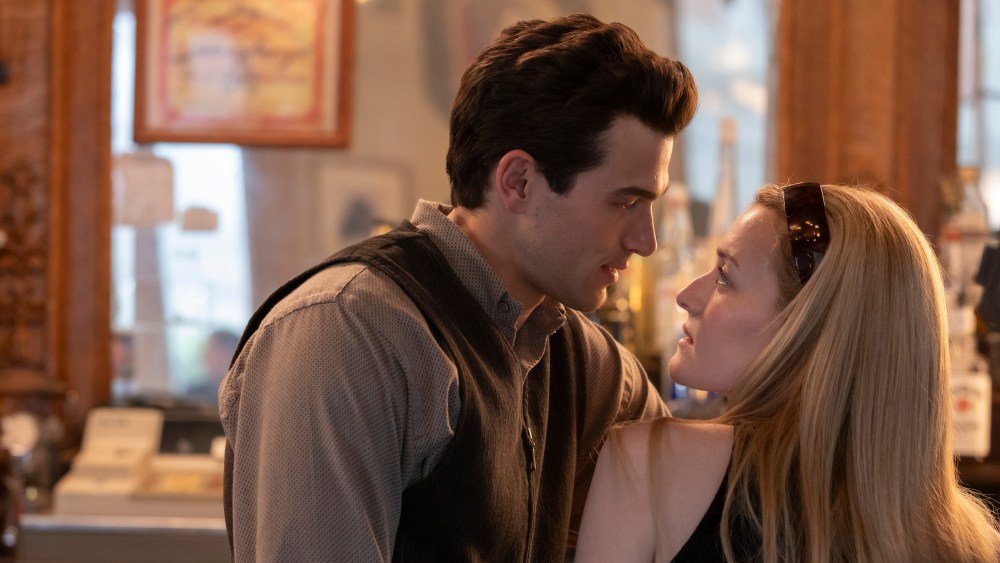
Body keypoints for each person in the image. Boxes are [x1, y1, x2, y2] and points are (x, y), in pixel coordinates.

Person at [219, 14, 698, 562]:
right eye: (626, 202)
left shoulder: (573, 352)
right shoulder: (349, 332)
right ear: (518, 182)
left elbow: (698, 490)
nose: (645, 241)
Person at [576, 183, 1000, 562]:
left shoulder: (651, 465)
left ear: (807, 325)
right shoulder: (971, 543)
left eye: (724, 277)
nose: (687, 296)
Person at [186, 329, 240, 405]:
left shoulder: (243, 392)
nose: (205, 357)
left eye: (211, 350)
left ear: (229, 354)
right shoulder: (194, 393)